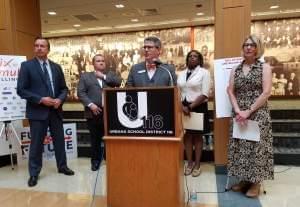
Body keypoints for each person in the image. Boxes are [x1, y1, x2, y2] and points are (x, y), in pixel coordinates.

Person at [17, 37, 74, 187]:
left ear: (48, 49)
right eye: (36, 45)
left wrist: (60, 100)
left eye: (42, 46)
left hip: (55, 111)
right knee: (36, 144)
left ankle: (62, 167)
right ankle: (34, 174)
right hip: (37, 112)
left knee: (59, 141)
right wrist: (41, 99)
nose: (39, 48)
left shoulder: (56, 67)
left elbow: (64, 89)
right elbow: (21, 90)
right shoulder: (26, 66)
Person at [227, 34, 274, 198]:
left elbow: (266, 92)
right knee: (241, 146)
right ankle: (244, 180)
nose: (248, 47)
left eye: (252, 45)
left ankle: (256, 183)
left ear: (257, 48)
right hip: (239, 114)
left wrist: (249, 110)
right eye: (246, 45)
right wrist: (238, 110)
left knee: (256, 148)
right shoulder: (235, 69)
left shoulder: (265, 68)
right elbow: (230, 91)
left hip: (258, 113)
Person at [77, 54, 121, 171]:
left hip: (109, 113)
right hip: (93, 113)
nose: (101, 63)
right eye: (98, 61)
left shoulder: (110, 75)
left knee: (110, 138)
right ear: (93, 63)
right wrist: (91, 105)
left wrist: (103, 76)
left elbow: (118, 82)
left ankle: (109, 159)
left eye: (103, 61)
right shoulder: (85, 76)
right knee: (95, 139)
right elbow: (81, 93)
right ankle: (95, 161)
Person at [177, 50, 211, 177]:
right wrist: (182, 106)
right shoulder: (181, 73)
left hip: (198, 106)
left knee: (197, 136)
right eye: (190, 56)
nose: (192, 58)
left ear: (199, 59)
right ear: (187, 59)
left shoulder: (204, 73)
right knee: (187, 135)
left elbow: (205, 93)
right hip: (183, 107)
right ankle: (189, 163)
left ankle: (197, 165)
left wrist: (190, 107)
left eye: (195, 56)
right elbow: (178, 91)